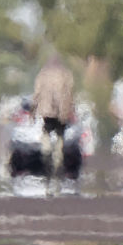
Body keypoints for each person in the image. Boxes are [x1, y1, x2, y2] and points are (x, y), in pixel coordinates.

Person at [32, 54, 75, 187]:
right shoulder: (66, 74)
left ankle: (47, 150)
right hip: (62, 111)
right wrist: (70, 109)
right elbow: (71, 92)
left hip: (47, 111)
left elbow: (37, 92)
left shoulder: (43, 74)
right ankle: (57, 158)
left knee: (46, 132)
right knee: (60, 136)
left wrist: (33, 108)